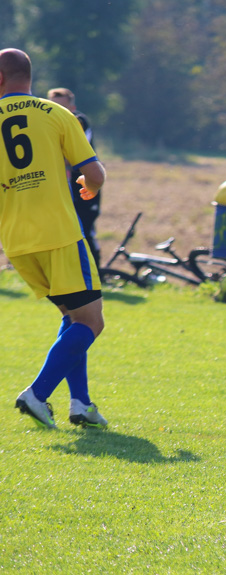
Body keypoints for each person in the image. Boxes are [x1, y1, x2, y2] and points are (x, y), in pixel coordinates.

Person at [1, 49, 109, 429]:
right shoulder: (57, 113)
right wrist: (89, 188)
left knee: (73, 315)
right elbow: (93, 174)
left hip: (16, 240)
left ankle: (80, 403)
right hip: (59, 233)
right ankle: (37, 393)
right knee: (92, 322)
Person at [47, 87, 101, 267]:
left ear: (72, 107)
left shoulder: (78, 121)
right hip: (60, 184)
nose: (58, 111)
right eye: (54, 106)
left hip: (83, 182)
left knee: (85, 228)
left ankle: (96, 272)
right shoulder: (48, 123)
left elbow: (72, 156)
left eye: (62, 107)